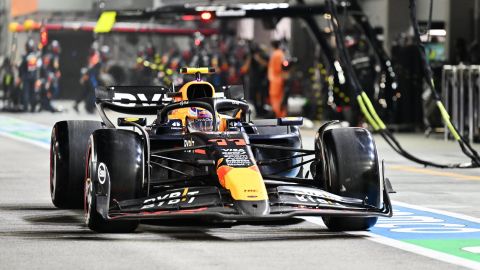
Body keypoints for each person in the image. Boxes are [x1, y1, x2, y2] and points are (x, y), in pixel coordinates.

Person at [268, 40, 287, 117]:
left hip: (275, 79)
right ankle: (280, 114)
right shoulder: (280, 54)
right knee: (279, 98)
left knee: (276, 98)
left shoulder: (276, 54)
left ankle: (278, 115)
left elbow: (277, 68)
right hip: (278, 78)